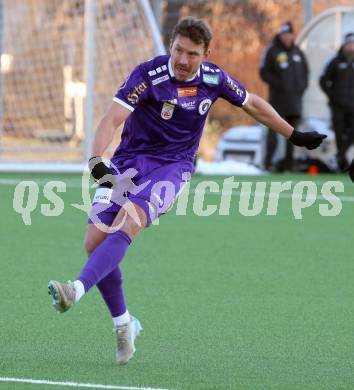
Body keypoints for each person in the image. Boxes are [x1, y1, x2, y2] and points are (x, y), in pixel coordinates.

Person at [48, 17, 325, 365]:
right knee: (93, 242)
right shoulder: (148, 75)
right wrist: (95, 161)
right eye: (178, 50)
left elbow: (253, 104)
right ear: (171, 45)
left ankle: (75, 289)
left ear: (206, 54)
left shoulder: (214, 79)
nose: (182, 59)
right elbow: (112, 118)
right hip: (128, 162)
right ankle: (124, 325)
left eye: (192, 54)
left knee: (128, 221)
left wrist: (293, 135)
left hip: (172, 169)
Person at [260, 21, 309, 171]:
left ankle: (290, 163)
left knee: (293, 134)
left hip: (295, 101)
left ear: (292, 35)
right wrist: (279, 84)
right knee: (273, 131)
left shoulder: (298, 52)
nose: (287, 37)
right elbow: (263, 72)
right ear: (280, 35)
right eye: (284, 34)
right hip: (277, 100)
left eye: (289, 34)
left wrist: (301, 87)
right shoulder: (272, 51)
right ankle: (268, 162)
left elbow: (306, 73)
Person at [319, 32, 354, 171]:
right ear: (344, 45)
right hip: (338, 107)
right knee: (339, 134)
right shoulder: (335, 62)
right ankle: (342, 165)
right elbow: (323, 80)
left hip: (353, 107)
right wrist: (332, 97)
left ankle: (341, 154)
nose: (351, 47)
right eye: (349, 44)